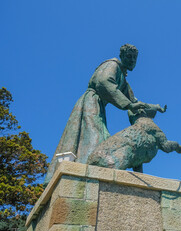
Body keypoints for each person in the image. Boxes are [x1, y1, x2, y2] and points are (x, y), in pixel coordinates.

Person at [44, 44, 149, 185]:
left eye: (134, 58)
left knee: (98, 137)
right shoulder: (112, 65)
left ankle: (91, 170)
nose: (132, 60)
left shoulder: (123, 78)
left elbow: (133, 101)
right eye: (129, 57)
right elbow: (104, 82)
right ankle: (88, 173)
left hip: (98, 107)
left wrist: (151, 109)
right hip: (90, 103)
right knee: (96, 138)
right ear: (122, 56)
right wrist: (129, 105)